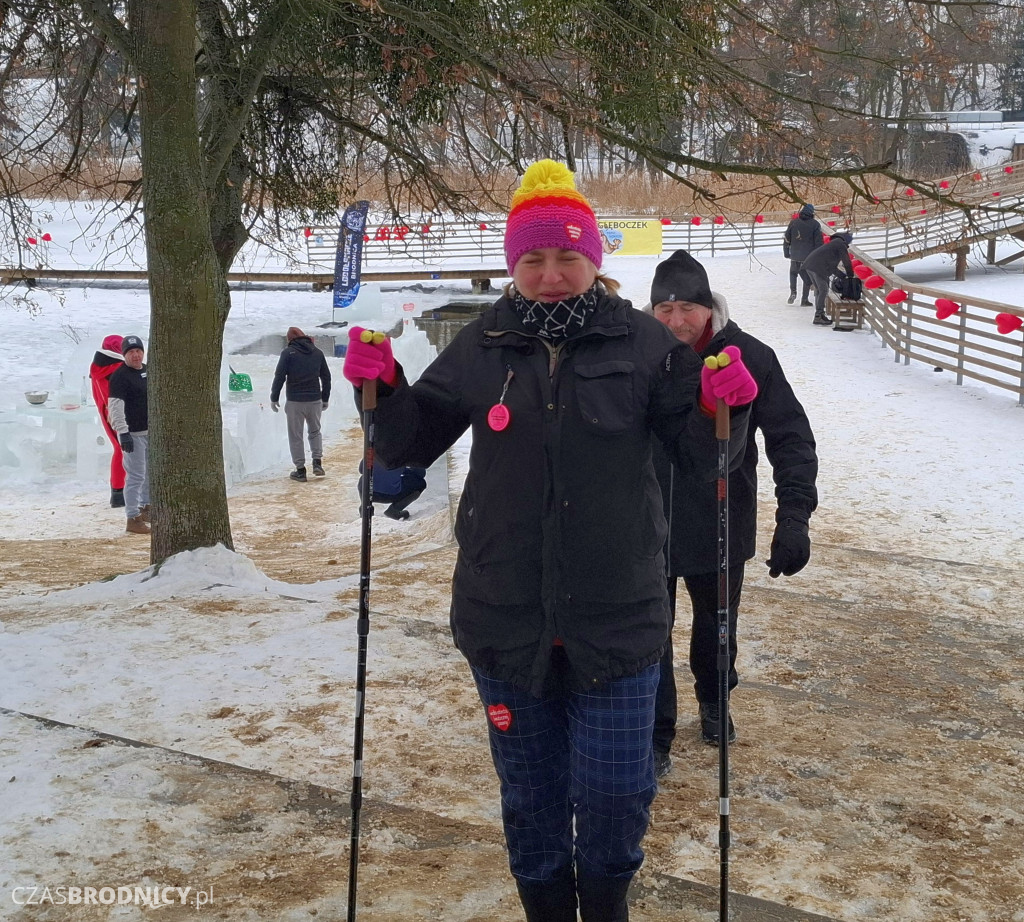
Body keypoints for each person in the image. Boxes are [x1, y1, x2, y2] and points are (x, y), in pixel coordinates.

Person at [341, 159, 758, 922]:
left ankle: (605, 907)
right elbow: (408, 442)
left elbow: (704, 460)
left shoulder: (645, 344)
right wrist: (384, 389)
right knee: (530, 802)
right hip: (504, 614)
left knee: (616, 797)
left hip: (619, 616)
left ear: (594, 259)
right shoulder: (485, 341)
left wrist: (717, 409)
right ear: (513, 263)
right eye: (532, 258)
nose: (551, 274)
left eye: (567, 255)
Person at [644, 251, 819, 778]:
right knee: (650, 632)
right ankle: (655, 729)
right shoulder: (638, 354)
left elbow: (791, 438)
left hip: (721, 517)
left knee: (716, 625)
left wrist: (794, 516)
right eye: (665, 309)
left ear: (709, 307)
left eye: (688, 308)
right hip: (646, 523)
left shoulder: (749, 356)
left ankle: (715, 699)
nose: (677, 321)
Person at [270, 326, 331, 482]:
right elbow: (326, 377)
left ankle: (300, 470)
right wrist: (325, 398)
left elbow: (279, 376)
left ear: (290, 339)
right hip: (314, 400)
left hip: (295, 401)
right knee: (315, 431)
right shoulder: (317, 353)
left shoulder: (288, 353)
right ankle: (317, 463)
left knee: (296, 435)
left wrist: (274, 397)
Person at [107, 335, 151, 535]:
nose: (136, 355)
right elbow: (115, 408)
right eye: (131, 352)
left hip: (150, 432)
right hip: (132, 434)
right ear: (124, 355)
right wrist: (123, 433)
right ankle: (132, 517)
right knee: (135, 476)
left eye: (138, 351)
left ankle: (146, 508)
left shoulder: (147, 370)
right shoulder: (120, 376)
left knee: (149, 473)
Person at [88, 334, 126, 507]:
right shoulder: (117, 369)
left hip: (106, 412)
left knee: (119, 449)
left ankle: (117, 492)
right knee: (123, 450)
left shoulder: (97, 367)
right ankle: (119, 492)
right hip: (118, 414)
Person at [801, 232, 854, 326]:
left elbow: (832, 267)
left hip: (810, 265)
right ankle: (818, 316)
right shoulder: (840, 244)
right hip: (817, 267)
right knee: (823, 290)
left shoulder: (833, 244)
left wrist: (843, 276)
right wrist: (850, 275)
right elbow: (846, 261)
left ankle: (820, 314)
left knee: (819, 290)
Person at [782, 204, 823, 306]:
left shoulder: (794, 222)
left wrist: (786, 252)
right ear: (812, 213)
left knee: (793, 274)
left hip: (794, 255)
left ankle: (793, 292)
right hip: (808, 257)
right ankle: (804, 299)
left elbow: (787, 238)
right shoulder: (815, 224)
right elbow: (819, 243)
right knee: (807, 279)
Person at [357, 461, 427, 520]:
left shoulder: (374, 449)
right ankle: (394, 510)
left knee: (365, 477)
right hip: (389, 494)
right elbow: (420, 473)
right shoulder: (406, 452)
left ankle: (365, 507)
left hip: (367, 491)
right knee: (420, 483)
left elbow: (361, 469)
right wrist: (402, 470)